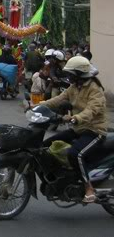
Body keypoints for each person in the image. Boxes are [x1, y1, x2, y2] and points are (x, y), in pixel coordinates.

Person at [41, 56, 108, 203]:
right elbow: (58, 99)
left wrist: (75, 118)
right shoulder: (74, 87)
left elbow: (92, 110)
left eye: (71, 74)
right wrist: (38, 106)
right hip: (78, 129)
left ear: (79, 74)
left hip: (94, 131)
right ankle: (62, 177)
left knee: (75, 154)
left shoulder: (95, 89)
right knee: (46, 145)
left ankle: (88, 188)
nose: (68, 77)